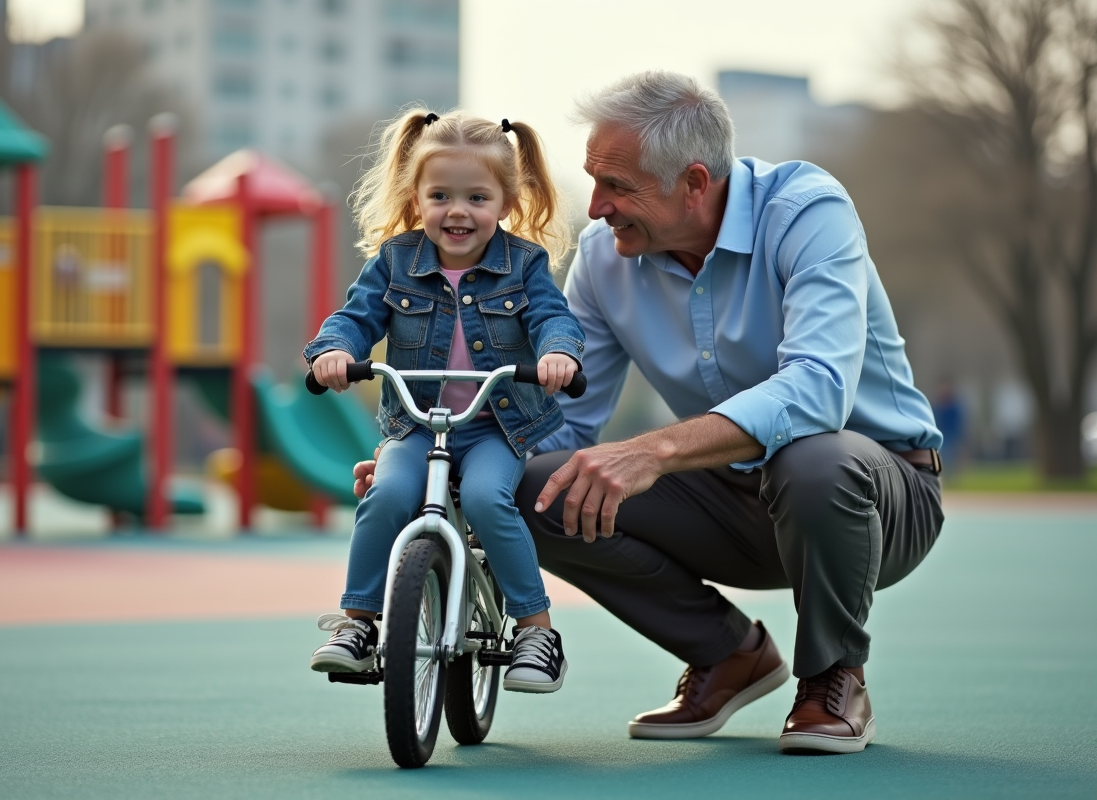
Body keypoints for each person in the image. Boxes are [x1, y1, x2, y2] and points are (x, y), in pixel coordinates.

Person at [353, 72, 945, 754]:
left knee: (813, 459)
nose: (596, 206)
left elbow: (819, 391)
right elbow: (560, 420)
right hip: (729, 498)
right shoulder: (603, 259)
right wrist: (441, 459)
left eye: (617, 186)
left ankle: (834, 679)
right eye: (593, 182)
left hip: (874, 498)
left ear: (693, 183)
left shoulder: (808, 212)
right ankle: (727, 654)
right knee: (534, 487)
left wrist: (654, 451)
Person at [304, 109, 584, 694]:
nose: (458, 211)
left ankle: (536, 631)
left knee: (486, 499)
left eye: (477, 197)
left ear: (506, 202)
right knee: (387, 495)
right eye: (440, 196)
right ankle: (358, 624)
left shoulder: (524, 264)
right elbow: (356, 318)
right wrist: (334, 350)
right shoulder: (395, 262)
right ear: (417, 198)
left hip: (494, 427)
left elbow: (553, 318)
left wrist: (559, 353)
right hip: (416, 423)